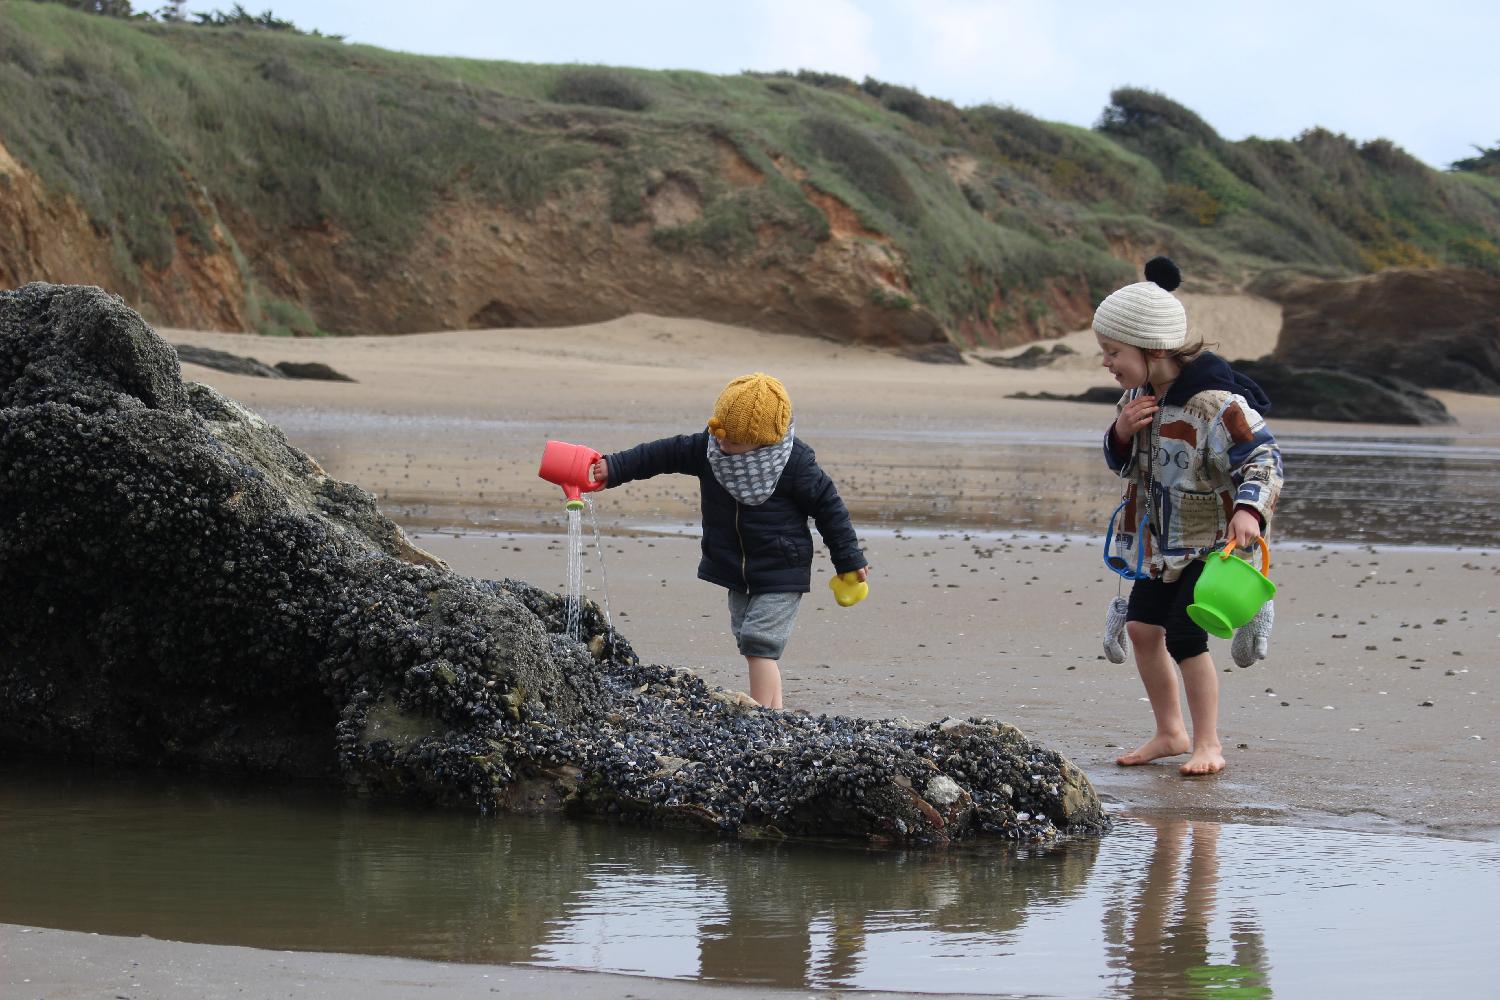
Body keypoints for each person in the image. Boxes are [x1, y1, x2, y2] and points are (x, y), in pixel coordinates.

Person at [1096, 257, 1283, 776]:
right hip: (1159, 544)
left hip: (1214, 541)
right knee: (1140, 628)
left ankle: (1209, 744)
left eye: (1113, 352)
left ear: (1153, 350)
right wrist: (1121, 433)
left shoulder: (1217, 405)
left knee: (1183, 635)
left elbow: (1265, 459)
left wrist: (1249, 510)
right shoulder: (1136, 398)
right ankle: (1169, 731)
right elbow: (1122, 464)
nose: (1106, 362)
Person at [589, 372, 869, 709]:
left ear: (763, 439)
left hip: (782, 566)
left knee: (758, 644)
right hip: (735, 566)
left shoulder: (794, 464)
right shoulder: (709, 449)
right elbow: (661, 454)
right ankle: (775, 713)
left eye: (733, 442)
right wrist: (616, 467)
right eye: (719, 436)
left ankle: (761, 715)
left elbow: (830, 510)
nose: (722, 445)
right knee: (748, 640)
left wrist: (849, 560)